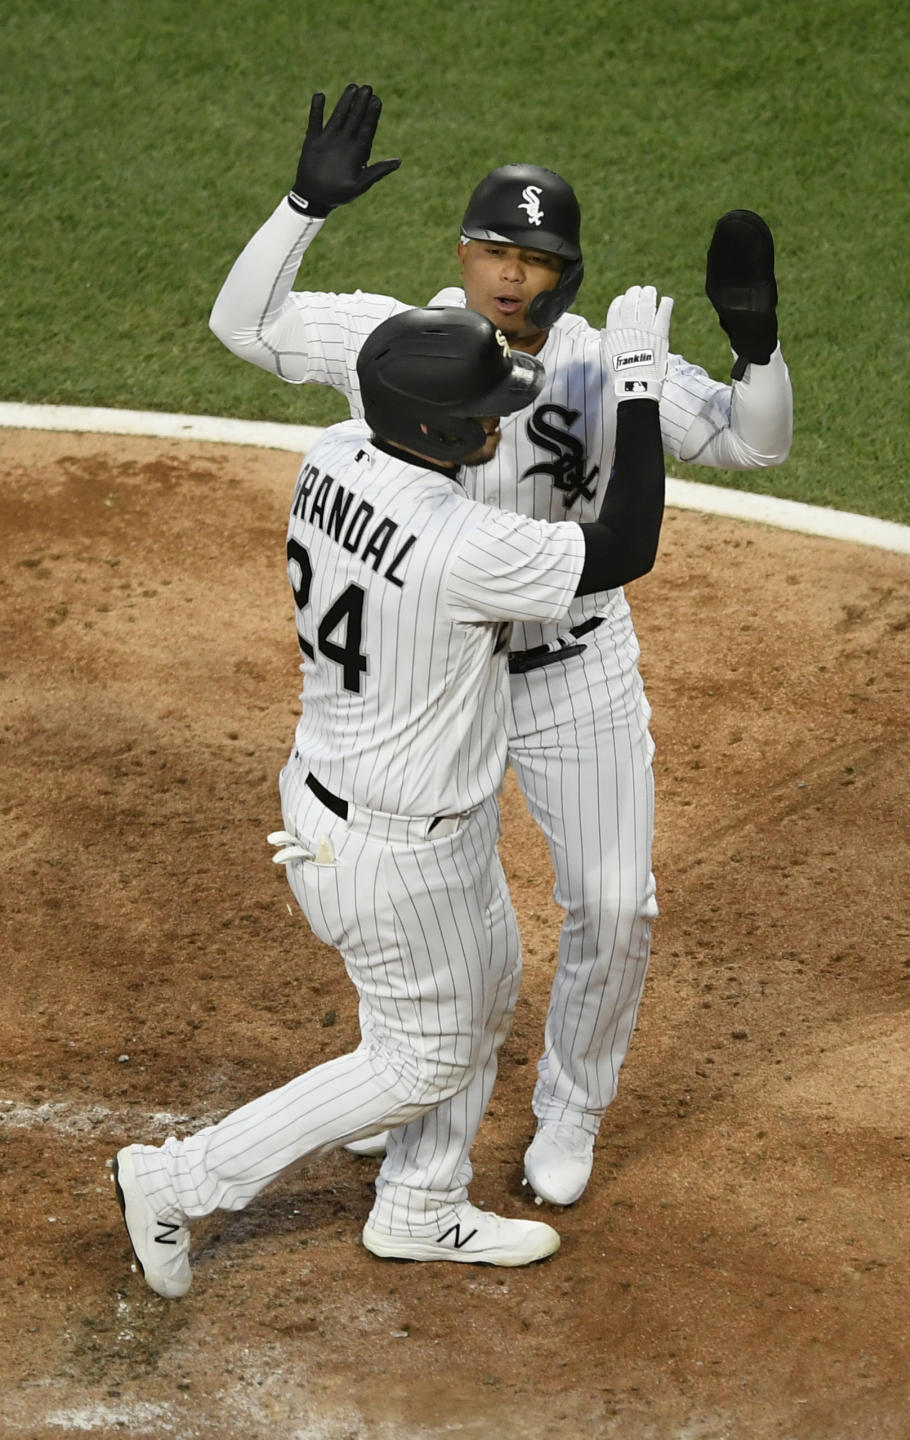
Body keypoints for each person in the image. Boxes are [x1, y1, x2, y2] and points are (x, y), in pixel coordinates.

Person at [208, 83, 794, 1206]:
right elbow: (245, 326)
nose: (512, 272)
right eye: (493, 248)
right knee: (433, 909)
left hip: (574, 671)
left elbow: (755, 443)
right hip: (447, 685)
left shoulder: (595, 358)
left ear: (565, 270)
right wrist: (300, 207)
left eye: (535, 255)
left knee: (615, 901)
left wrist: (755, 343)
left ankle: (571, 1107)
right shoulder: (411, 341)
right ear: (464, 253)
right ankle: (412, 1091)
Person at [112, 293, 674, 1297]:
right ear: (439, 428)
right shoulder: (463, 543)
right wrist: (630, 386)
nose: (498, 424)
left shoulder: (330, 455)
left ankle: (421, 1204)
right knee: (421, 1058)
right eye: (482, 410)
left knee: (485, 988)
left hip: (362, 807)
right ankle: (179, 1178)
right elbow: (625, 546)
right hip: (391, 850)